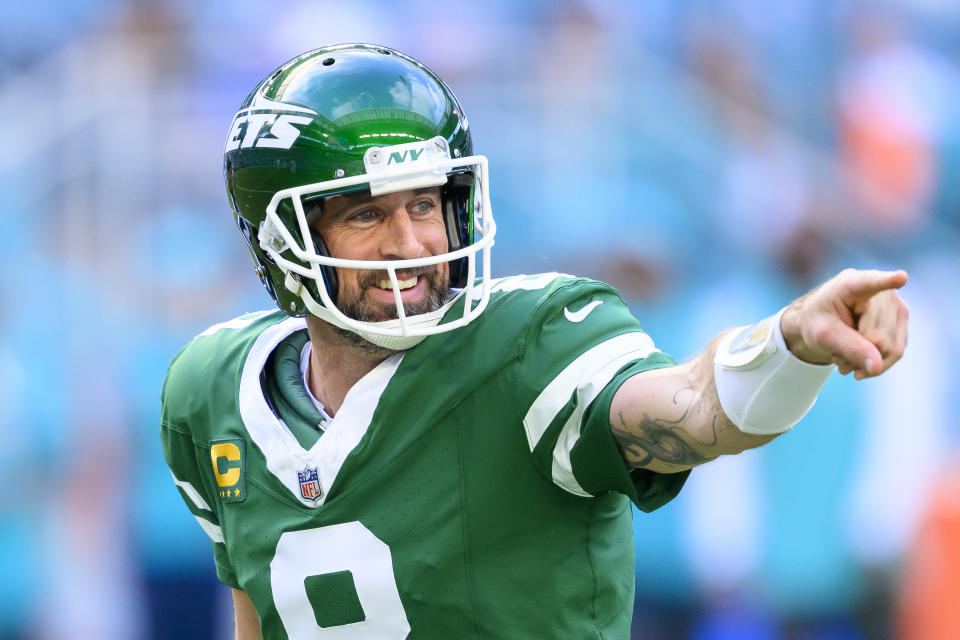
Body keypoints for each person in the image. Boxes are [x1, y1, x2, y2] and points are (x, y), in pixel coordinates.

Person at [160, 44, 909, 639]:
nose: (411, 242)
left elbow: (697, 412)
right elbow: (256, 611)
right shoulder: (212, 390)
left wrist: (787, 343)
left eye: (425, 203)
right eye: (366, 215)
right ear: (285, 237)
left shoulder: (527, 344)